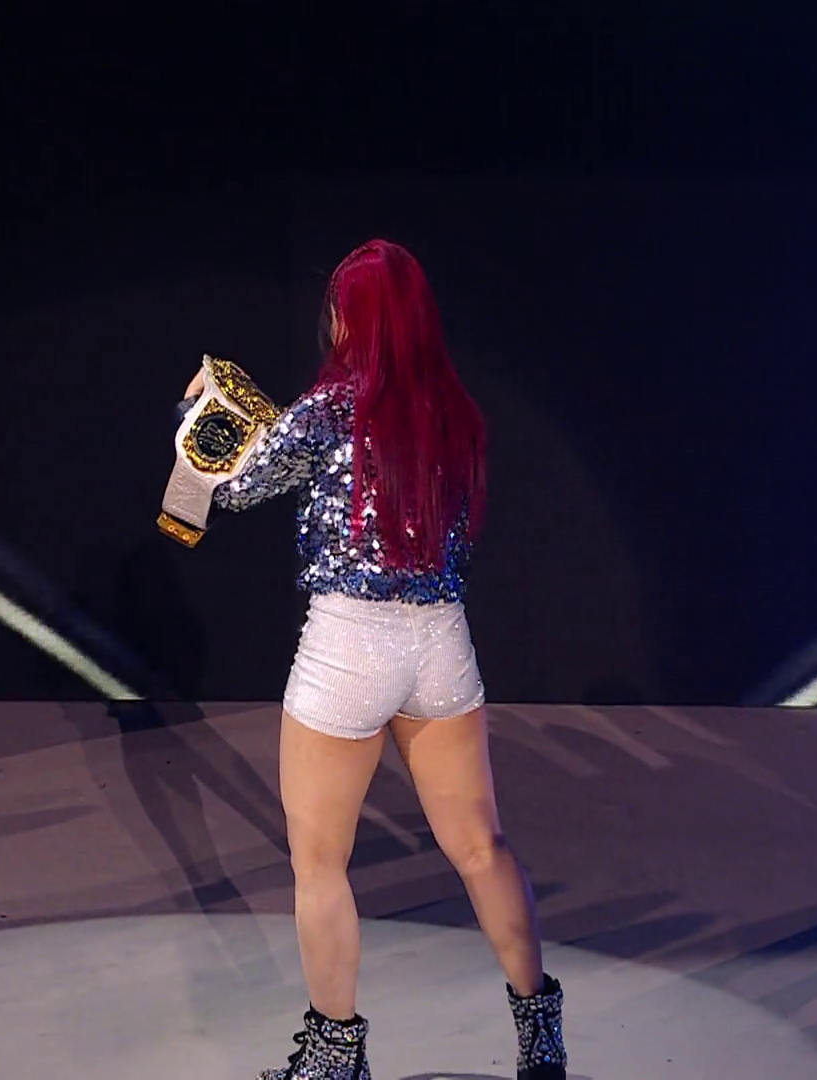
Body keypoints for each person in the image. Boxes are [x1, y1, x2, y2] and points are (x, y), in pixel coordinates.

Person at [179, 240, 566, 1080]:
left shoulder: (330, 406)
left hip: (348, 649)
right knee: (483, 848)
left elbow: (234, 486)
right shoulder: (456, 412)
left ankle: (334, 1057)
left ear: (349, 317)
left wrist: (202, 413)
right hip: (442, 648)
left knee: (320, 866)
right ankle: (541, 1039)